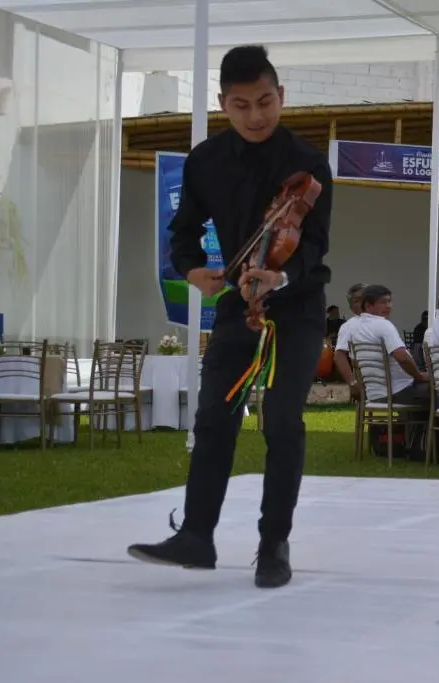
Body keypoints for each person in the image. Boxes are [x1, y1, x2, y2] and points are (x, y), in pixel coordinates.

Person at [127, 45, 333, 589]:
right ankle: (197, 537)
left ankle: (273, 545)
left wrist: (279, 276)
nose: (256, 116)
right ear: (223, 104)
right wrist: (194, 270)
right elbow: (183, 234)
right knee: (214, 418)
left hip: (298, 308)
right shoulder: (205, 161)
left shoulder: (309, 164)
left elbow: (312, 247)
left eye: (265, 102)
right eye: (241, 105)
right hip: (237, 306)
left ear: (281, 96)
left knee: (283, 419)